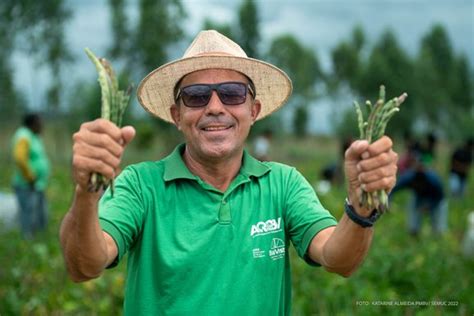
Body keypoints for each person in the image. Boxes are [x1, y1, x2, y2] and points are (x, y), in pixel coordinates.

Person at [59, 30, 399, 315]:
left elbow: (338, 258)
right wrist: (87, 191)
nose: (215, 108)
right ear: (177, 115)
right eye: (196, 97)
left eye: (232, 94)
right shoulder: (140, 185)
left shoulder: (283, 184)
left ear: (253, 110)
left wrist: (361, 207)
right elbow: (85, 264)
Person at [11, 113, 50, 239]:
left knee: (40, 213)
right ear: (32, 124)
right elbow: (20, 158)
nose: (42, 125)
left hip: (37, 184)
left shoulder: (33, 136)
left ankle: (38, 238)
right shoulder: (23, 136)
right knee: (28, 213)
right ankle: (27, 240)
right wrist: (30, 177)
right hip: (27, 184)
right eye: (39, 123)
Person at [390, 157, 447, 236]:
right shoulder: (409, 177)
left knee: (438, 221)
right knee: (413, 212)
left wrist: (429, 206)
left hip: (435, 199)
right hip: (418, 196)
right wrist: (388, 201)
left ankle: (438, 234)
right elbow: (394, 188)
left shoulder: (433, 180)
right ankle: (414, 233)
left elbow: (440, 197)